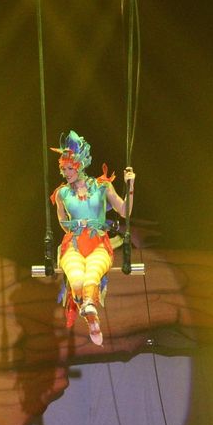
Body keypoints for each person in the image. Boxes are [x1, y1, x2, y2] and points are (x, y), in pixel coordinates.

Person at [50, 130, 135, 346]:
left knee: (92, 274)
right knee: (77, 278)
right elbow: (62, 222)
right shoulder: (62, 194)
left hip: (99, 244)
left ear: (80, 165)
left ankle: (89, 311)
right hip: (74, 244)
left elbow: (124, 211)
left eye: (69, 168)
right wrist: (76, 225)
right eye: (63, 169)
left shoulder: (102, 187)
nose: (66, 173)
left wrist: (130, 186)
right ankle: (90, 315)